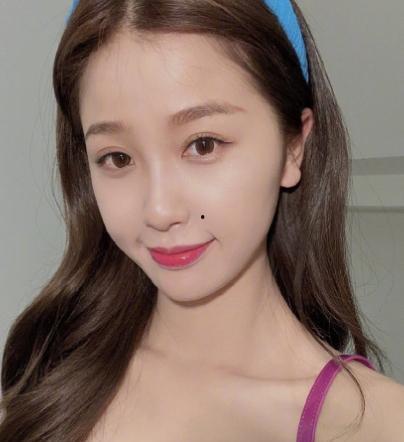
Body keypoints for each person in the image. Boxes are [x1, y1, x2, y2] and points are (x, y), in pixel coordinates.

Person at [1, 1, 403, 441]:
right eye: (117, 157)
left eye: (203, 145)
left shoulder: (378, 425)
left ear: (293, 147)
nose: (159, 210)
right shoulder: (45, 375)